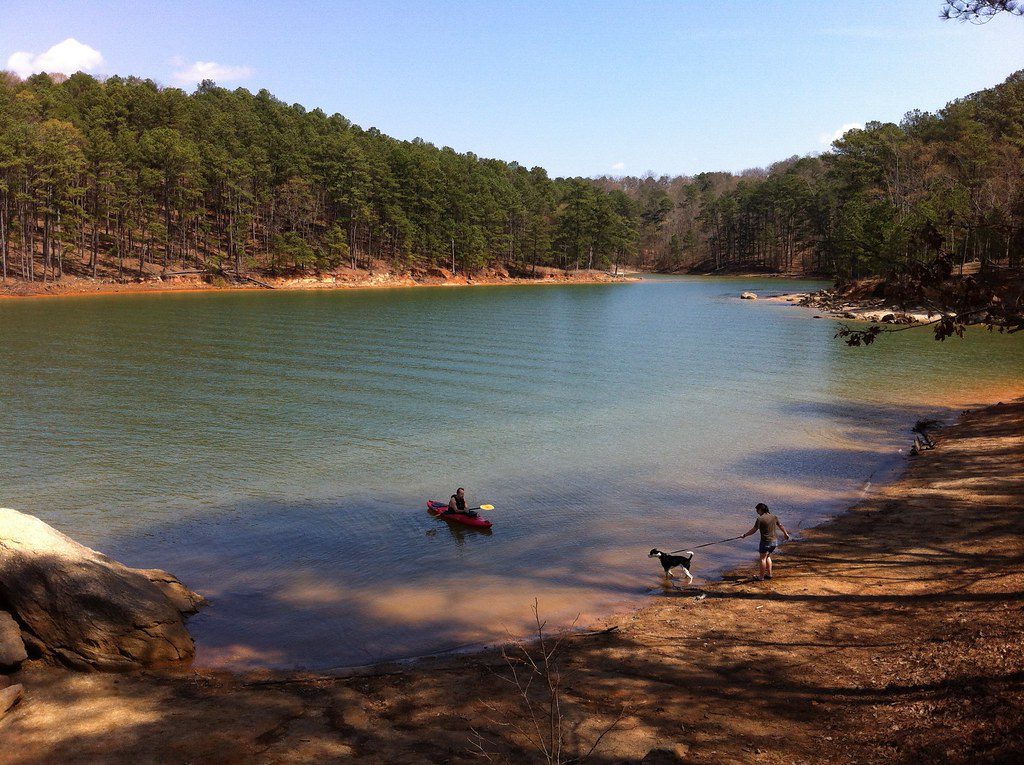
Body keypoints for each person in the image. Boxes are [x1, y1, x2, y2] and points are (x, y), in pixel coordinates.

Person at [741, 502, 790, 581]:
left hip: (765, 541)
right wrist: (785, 533)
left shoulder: (760, 519)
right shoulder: (774, 517)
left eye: (757, 510)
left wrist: (745, 535)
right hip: (774, 541)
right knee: (768, 556)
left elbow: (754, 530)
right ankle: (769, 574)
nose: (757, 512)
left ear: (760, 510)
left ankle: (761, 577)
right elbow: (780, 525)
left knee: (762, 559)